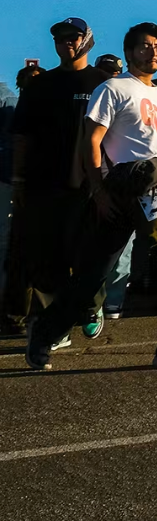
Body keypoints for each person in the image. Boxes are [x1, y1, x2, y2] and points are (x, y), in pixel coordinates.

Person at [25, 23, 157, 371]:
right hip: (120, 191)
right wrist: (98, 190)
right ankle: (45, 333)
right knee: (93, 275)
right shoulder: (113, 88)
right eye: (144, 46)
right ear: (129, 53)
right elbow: (91, 141)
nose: (153, 51)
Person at [11, 19, 108, 341]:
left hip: (89, 186)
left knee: (87, 256)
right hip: (43, 187)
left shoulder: (105, 84)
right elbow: (22, 137)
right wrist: (19, 181)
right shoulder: (40, 86)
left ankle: (92, 306)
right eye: (59, 38)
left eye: (72, 37)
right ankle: (58, 324)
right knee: (45, 261)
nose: (65, 43)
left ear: (86, 40)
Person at [0, 66, 43, 335]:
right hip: (13, 183)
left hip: (40, 188)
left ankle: (22, 312)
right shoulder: (11, 109)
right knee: (12, 246)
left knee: (24, 248)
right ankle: (15, 311)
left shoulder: (16, 108)